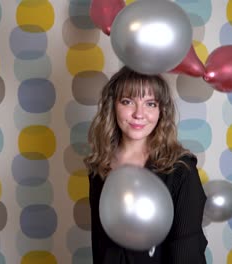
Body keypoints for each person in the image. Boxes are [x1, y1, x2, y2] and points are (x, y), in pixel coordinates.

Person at [84, 66, 208, 264]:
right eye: (127, 101)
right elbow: (100, 245)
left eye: (150, 104)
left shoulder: (181, 170)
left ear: (161, 111)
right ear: (112, 106)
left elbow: (187, 251)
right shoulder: (100, 166)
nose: (139, 114)